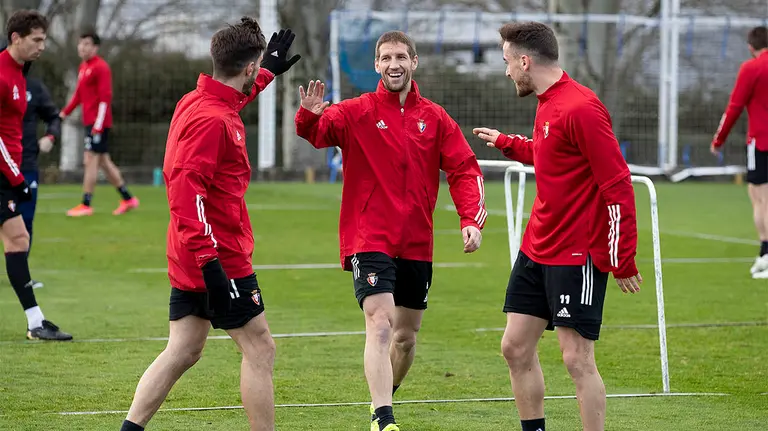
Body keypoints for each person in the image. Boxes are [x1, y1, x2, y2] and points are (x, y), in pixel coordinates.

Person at [295, 30, 487, 431]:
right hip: (370, 236)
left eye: (401, 56)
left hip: (417, 241)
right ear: (377, 65)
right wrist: (309, 114)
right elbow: (318, 132)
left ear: (414, 62)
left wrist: (470, 219)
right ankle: (384, 418)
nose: (394, 63)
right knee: (379, 322)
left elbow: (465, 168)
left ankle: (384, 394)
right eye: (386, 57)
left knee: (405, 338)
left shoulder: (435, 117)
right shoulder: (357, 111)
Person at [119, 18, 299, 431]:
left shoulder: (199, 100)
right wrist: (210, 262)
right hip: (217, 256)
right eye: (256, 66)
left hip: (190, 252)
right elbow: (185, 191)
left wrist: (267, 68)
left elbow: (232, 97)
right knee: (260, 348)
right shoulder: (213, 120)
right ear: (247, 67)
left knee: (183, 348)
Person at [472, 22, 641, 431]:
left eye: (508, 62)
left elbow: (617, 184)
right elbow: (554, 155)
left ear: (526, 61)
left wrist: (622, 257)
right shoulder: (548, 101)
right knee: (514, 347)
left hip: (576, 252)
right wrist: (508, 143)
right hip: (536, 248)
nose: (507, 71)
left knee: (576, 358)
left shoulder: (581, 106)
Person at [0, 10, 71, 341]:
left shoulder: (20, 73)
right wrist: (15, 178)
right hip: (3, 176)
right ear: (17, 38)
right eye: (37, 40)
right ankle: (34, 322)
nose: (43, 46)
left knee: (18, 239)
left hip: (9, 173)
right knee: (18, 239)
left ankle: (35, 322)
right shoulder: (1, 73)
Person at [59, 31, 139, 217]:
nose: (82, 47)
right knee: (103, 162)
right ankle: (128, 199)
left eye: (87, 44)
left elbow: (105, 98)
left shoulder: (101, 67)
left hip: (98, 124)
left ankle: (86, 204)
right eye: (81, 43)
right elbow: (78, 95)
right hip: (91, 123)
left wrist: (98, 125)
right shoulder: (83, 67)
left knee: (90, 161)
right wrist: (64, 113)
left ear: (95, 47)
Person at [710, 26, 768, 278]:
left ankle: (766, 252)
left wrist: (718, 139)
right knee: (756, 193)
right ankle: (764, 254)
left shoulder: (751, 68)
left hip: (762, 141)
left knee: (761, 197)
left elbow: (734, 106)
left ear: (750, 46)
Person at [18, 74, 62, 290]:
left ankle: (21, 275)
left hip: (26, 165)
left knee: (25, 221)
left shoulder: (34, 87)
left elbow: (54, 117)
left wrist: (50, 137)